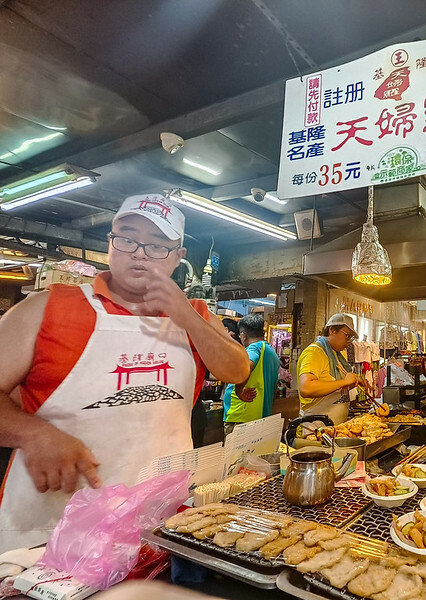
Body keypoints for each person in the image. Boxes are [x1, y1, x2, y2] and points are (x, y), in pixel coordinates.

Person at [0, 193, 250, 551]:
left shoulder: (195, 314)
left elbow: (238, 371)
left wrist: (187, 315)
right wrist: (32, 434)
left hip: (161, 522)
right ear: (110, 243)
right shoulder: (46, 307)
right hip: (50, 528)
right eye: (128, 238)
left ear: (178, 257)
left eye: (157, 245)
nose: (140, 252)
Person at [222, 313, 280, 436]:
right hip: (259, 416)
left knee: (236, 455)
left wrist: (239, 390)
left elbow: (246, 365)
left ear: (243, 335)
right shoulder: (271, 352)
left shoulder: (254, 348)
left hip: (242, 417)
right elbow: (275, 388)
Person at [296, 313, 359, 424]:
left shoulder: (336, 355)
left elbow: (331, 387)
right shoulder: (314, 353)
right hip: (315, 430)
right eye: (347, 336)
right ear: (332, 330)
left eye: (351, 337)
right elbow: (306, 388)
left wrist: (349, 384)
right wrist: (344, 382)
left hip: (335, 429)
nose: (349, 341)